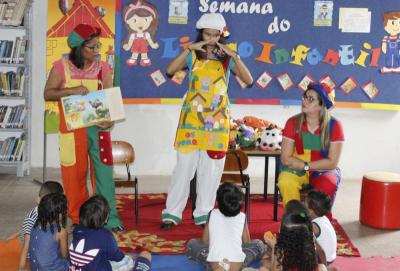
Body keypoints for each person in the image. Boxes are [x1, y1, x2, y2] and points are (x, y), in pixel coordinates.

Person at [161, 13, 253, 229]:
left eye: (215, 35)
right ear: (201, 33)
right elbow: (170, 70)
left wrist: (234, 55)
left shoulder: (227, 58)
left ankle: (203, 213)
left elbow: (248, 80)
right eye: (207, 34)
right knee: (183, 169)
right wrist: (190, 48)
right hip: (191, 121)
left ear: (222, 35)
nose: (211, 39)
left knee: (211, 171)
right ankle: (172, 213)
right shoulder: (193, 55)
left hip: (217, 123)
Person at [44, 23, 123, 231]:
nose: (97, 52)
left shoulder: (104, 68)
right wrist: (70, 90)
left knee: (104, 175)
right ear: (79, 47)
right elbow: (48, 93)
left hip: (98, 130)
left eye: (98, 46)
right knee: (74, 176)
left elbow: (110, 98)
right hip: (72, 131)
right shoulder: (61, 67)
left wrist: (110, 120)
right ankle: (78, 217)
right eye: (92, 47)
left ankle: (108, 217)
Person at [277, 83, 344, 213]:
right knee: (285, 181)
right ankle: (296, 218)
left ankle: (320, 222)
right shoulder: (292, 122)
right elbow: (285, 159)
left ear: (321, 105)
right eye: (304, 97)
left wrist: (305, 166)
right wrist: (301, 166)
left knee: (328, 183)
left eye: (310, 99)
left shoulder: (335, 126)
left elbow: (332, 163)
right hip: (297, 169)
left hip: (322, 170)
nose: (304, 101)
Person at [186, 183, 266, 271]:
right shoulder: (242, 216)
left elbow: (205, 241)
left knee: (192, 243)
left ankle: (220, 268)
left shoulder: (212, 213)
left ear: (217, 202)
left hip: (214, 264)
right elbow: (247, 242)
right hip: (237, 265)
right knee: (258, 244)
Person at [69, 195, 152, 271]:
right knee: (145, 255)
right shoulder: (105, 235)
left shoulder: (77, 229)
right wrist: (129, 258)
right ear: (105, 217)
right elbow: (118, 257)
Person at [6, 181, 64, 271]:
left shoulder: (53, 213)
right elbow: (26, 247)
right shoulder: (32, 218)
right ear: (38, 199)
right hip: (30, 246)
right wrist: (21, 268)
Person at [260, 212, 335, 271]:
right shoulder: (310, 244)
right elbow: (321, 252)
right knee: (323, 267)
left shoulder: (281, 248)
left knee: (263, 268)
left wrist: (274, 247)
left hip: (286, 266)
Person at [29, 193, 69, 271]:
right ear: (58, 213)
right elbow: (65, 255)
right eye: (64, 209)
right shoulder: (61, 232)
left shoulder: (35, 225)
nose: (66, 211)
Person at [305, 190, 337, 264]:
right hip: (331, 256)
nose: (303, 204)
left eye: (304, 203)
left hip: (323, 260)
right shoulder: (323, 218)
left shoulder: (314, 226)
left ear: (311, 211)